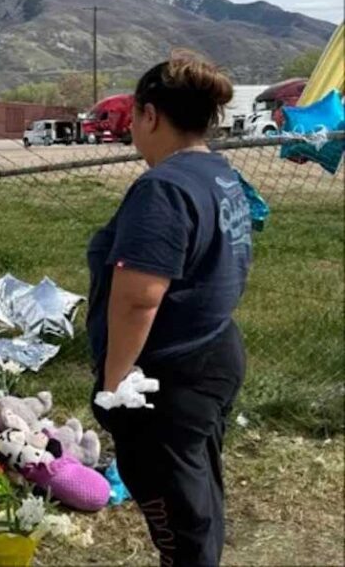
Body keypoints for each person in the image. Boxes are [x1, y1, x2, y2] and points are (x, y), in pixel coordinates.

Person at [88, 51, 253, 566]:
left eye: (133, 116)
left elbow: (139, 295)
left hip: (167, 377)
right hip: (213, 352)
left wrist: (114, 383)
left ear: (150, 114)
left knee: (176, 512)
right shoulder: (218, 174)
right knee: (197, 495)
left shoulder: (163, 188)